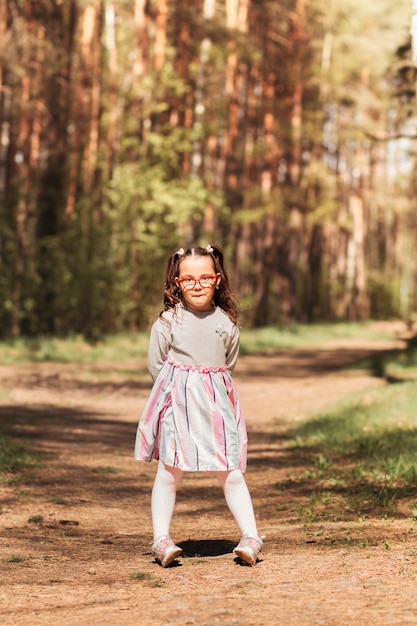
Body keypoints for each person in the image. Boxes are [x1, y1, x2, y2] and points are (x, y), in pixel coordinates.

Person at [134, 244, 263, 567]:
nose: (197, 284)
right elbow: (156, 367)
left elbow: (226, 366)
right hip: (177, 408)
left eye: (205, 277)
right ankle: (161, 540)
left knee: (230, 471)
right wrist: (179, 394)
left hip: (217, 409)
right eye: (188, 278)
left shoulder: (226, 323)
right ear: (176, 282)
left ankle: (250, 538)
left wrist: (207, 391)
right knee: (169, 472)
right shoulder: (167, 322)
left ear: (217, 279)